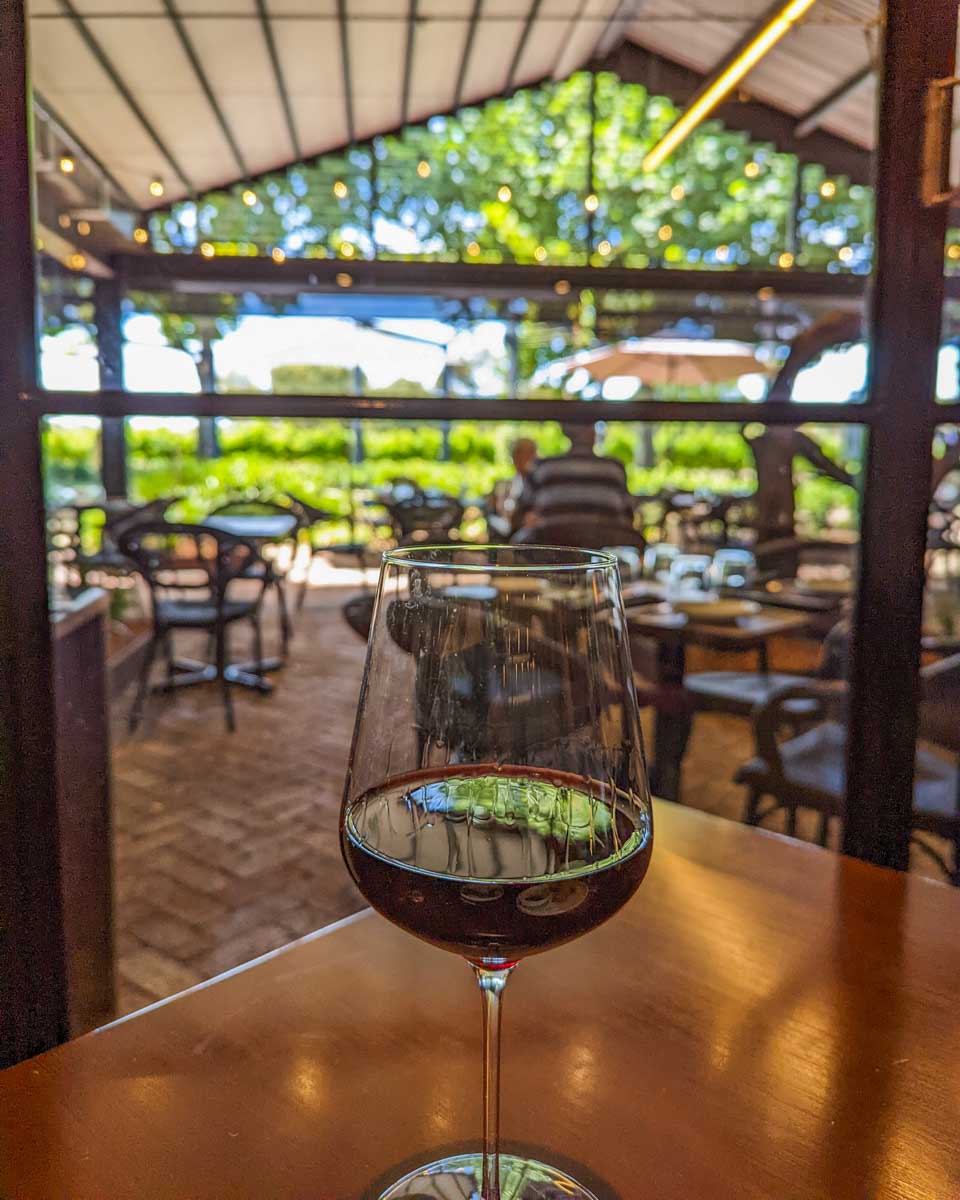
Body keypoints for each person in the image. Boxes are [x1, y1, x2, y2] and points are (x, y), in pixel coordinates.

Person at [742, 425, 855, 576]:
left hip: (774, 519)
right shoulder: (769, 441)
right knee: (773, 566)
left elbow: (824, 463)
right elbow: (824, 463)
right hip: (773, 520)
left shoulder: (777, 441)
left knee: (776, 566)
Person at [511, 421, 636, 533]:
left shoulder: (544, 468)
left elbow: (520, 516)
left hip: (552, 547)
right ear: (593, 433)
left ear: (565, 432)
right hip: (609, 546)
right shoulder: (614, 468)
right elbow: (629, 515)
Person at [487, 437, 537, 538]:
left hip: (525, 530)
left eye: (525, 455)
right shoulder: (510, 482)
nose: (518, 460)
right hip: (507, 528)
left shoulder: (537, 481)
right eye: (516, 456)